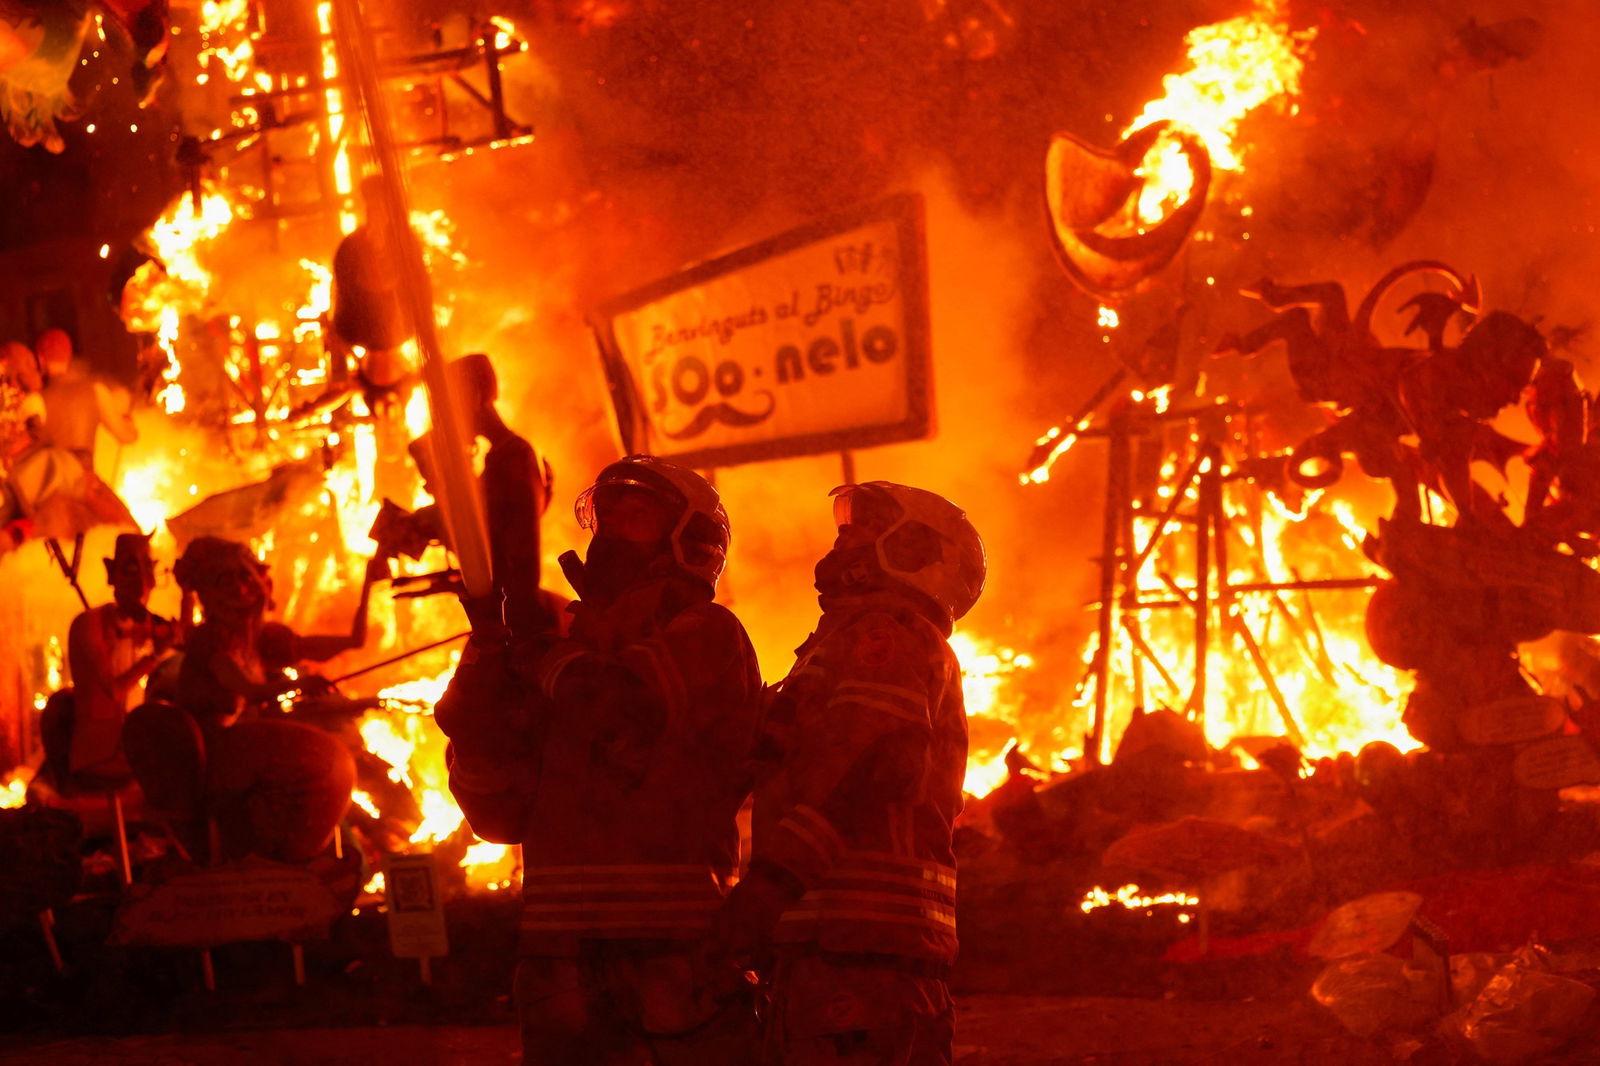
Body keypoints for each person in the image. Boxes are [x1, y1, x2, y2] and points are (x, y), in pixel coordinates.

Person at [435, 455, 763, 1066]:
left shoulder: (706, 633)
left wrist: (540, 658)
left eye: (635, 515)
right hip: (560, 958)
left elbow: (622, 705)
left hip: (671, 951)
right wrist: (484, 690)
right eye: (605, 518)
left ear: (691, 540)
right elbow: (499, 818)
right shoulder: (565, 659)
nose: (610, 533)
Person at [702, 481, 986, 1066]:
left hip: (856, 951)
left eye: (863, 529)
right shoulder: (845, 641)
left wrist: (775, 883)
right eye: (844, 528)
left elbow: (875, 767)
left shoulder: (885, 635)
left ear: (916, 550)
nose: (843, 540)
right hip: (845, 947)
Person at [130, 537, 354, 864]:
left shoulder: (250, 637)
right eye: (224, 580)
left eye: (245, 576)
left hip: (229, 743)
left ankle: (287, 857)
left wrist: (367, 591)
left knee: (327, 758)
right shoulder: (211, 638)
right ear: (208, 591)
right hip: (208, 752)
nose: (239, 588)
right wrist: (302, 683)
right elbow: (247, 689)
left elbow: (330, 645)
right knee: (318, 760)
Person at [56, 532, 176, 783]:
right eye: (130, 570)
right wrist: (154, 656)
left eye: (148, 569)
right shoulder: (89, 624)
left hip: (134, 744)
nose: (141, 583)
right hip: (100, 752)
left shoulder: (144, 626)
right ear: (112, 572)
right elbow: (113, 691)